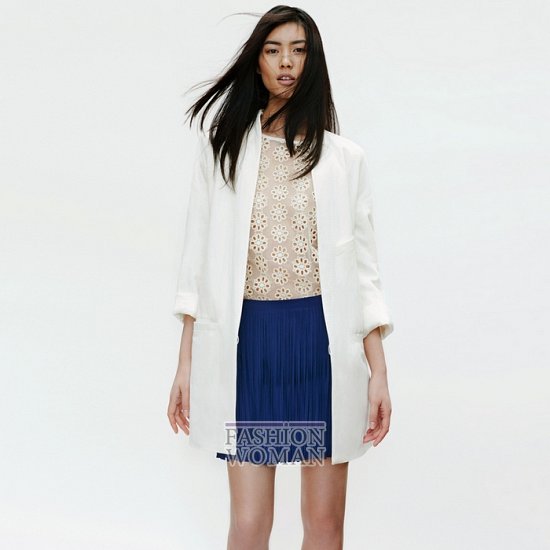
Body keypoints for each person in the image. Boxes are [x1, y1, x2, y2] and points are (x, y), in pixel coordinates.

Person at [167, 6, 394, 549]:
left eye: (298, 50)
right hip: (250, 347)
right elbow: (197, 262)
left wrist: (379, 372)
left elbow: (364, 273)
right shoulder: (224, 152)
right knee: (250, 525)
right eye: (273, 50)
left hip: (321, 347)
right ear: (258, 61)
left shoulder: (344, 160)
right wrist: (185, 363)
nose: (286, 62)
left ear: (313, 62)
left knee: (324, 525)